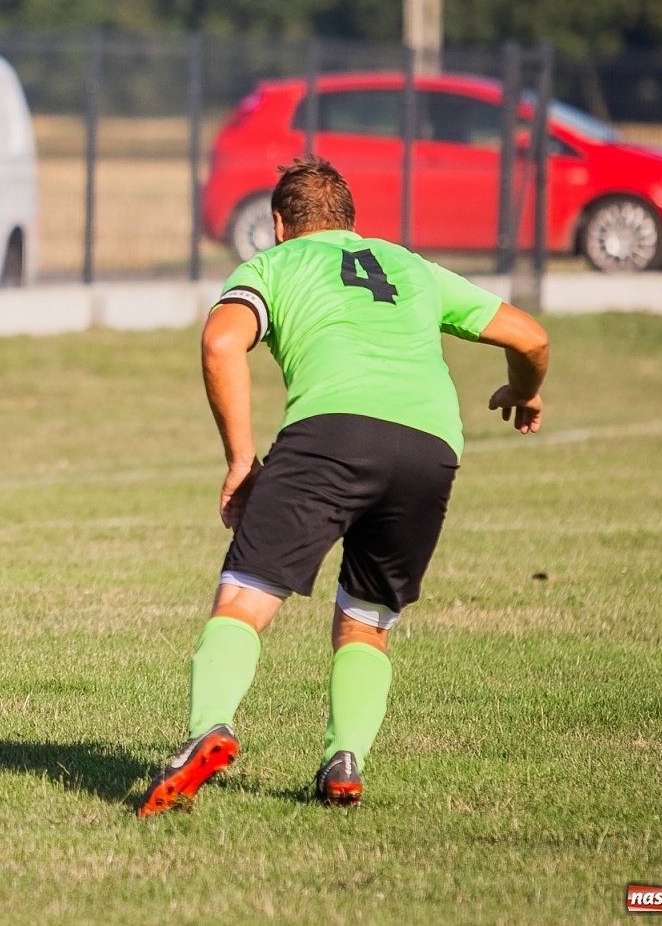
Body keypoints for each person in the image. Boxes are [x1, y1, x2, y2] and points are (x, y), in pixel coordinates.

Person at [138, 156, 549, 815]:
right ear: (352, 224)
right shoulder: (410, 266)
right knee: (366, 620)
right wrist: (524, 395)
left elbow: (221, 344)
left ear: (278, 224)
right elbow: (530, 336)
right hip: (430, 447)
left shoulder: (271, 267)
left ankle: (208, 727)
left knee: (243, 600)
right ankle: (344, 758)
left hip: (330, 433)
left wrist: (241, 461)